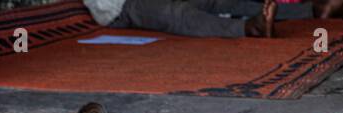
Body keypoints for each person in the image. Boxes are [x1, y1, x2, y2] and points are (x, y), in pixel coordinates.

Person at [82, 0, 277, 38]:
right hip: (118, 7)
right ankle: (248, 29)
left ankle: (303, 11)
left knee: (213, 3)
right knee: (177, 13)